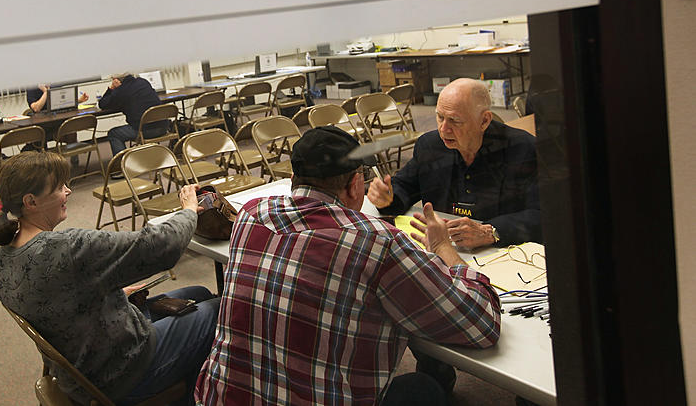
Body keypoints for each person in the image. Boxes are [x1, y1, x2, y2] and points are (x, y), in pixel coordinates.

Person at [196, 126, 501, 405]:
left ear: (292, 181)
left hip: (219, 399)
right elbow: (481, 324)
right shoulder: (378, 241)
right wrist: (443, 248)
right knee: (424, 389)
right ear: (356, 185)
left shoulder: (250, 214)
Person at [0, 152, 218, 405]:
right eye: (58, 188)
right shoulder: (69, 248)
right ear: (31, 201)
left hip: (80, 371)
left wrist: (108, 291)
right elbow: (164, 245)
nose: (68, 191)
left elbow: (55, 299)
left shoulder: (5, 256)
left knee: (198, 293)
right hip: (122, 371)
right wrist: (188, 210)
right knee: (222, 310)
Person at [368, 77, 540, 248]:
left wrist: (491, 231)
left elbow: (543, 215)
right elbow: (404, 186)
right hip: (443, 249)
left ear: (484, 121)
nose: (444, 129)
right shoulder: (430, 146)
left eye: (455, 120)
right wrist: (387, 198)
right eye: (440, 117)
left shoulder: (523, 149)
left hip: (503, 252)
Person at [98, 73, 163, 156]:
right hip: (163, 126)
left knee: (114, 134)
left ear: (116, 80)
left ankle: (121, 163)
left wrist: (112, 89)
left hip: (144, 131)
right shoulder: (143, 82)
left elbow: (103, 104)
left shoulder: (121, 90)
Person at [26, 84, 90, 113]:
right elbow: (36, 108)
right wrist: (46, 92)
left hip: (57, 118)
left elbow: (63, 102)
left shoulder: (56, 84)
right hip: (42, 123)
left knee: (70, 127)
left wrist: (78, 101)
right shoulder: (31, 88)